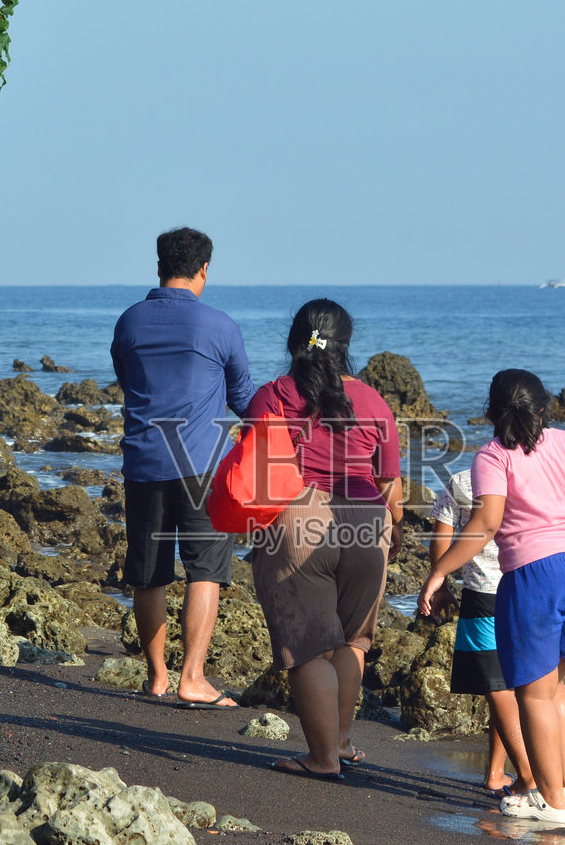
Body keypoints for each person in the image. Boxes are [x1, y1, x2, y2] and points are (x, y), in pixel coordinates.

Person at [417, 369, 565, 824]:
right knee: (555, 684)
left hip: (534, 574)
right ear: (545, 409)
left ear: (489, 412)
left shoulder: (492, 456)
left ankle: (553, 806)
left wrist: (439, 572)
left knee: (533, 695)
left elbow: (485, 525)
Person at [245, 299, 403, 780]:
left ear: (295, 342)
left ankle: (321, 758)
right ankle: (342, 741)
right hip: (368, 523)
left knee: (308, 648)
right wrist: (391, 533)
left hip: (301, 519)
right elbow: (391, 484)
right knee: (353, 642)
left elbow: (255, 470)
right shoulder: (375, 402)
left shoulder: (274, 394)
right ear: (347, 347)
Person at [111, 227, 255, 707]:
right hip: (202, 466)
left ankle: (157, 676)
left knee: (149, 573)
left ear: (158, 266)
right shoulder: (219, 326)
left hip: (144, 462)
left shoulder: (129, 322)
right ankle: (192, 677)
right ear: (204, 269)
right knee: (205, 571)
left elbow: (126, 382)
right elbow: (243, 400)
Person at [428, 469, 535, 800]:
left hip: (484, 592)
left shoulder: (463, 480)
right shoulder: (530, 476)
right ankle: (494, 773)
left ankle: (529, 775)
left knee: (496, 688)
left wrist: (440, 581)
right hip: (530, 588)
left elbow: (441, 536)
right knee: (509, 684)